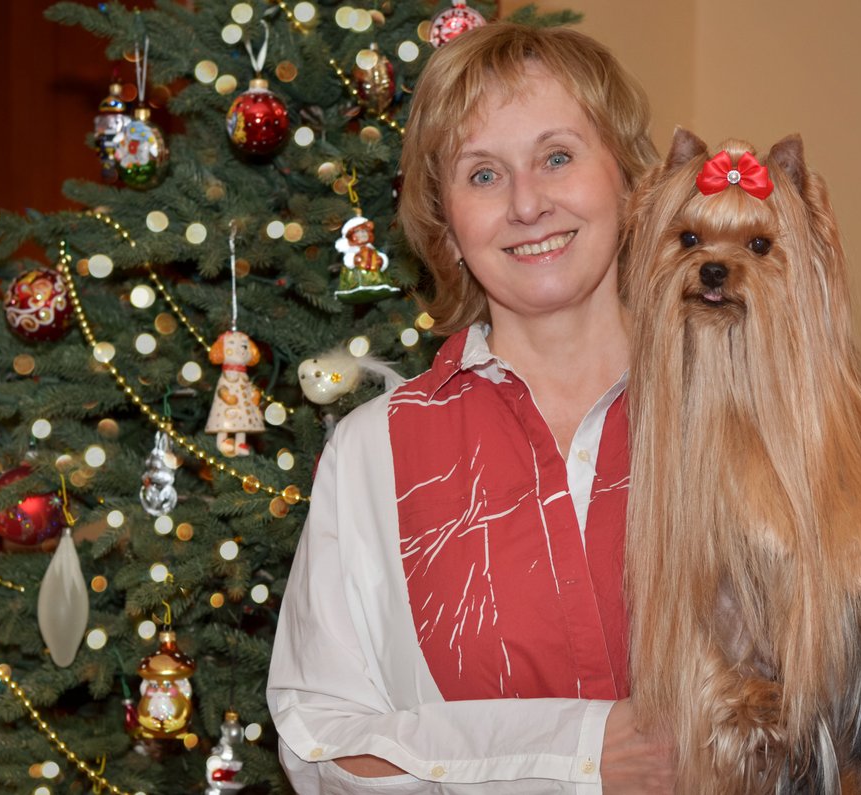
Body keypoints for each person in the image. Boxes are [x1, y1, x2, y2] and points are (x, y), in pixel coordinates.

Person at [268, 22, 674, 793]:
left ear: (628, 181)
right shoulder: (374, 450)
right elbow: (321, 744)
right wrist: (576, 751)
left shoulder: (740, 409)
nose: (527, 203)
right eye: (483, 175)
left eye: (558, 157)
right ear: (447, 228)